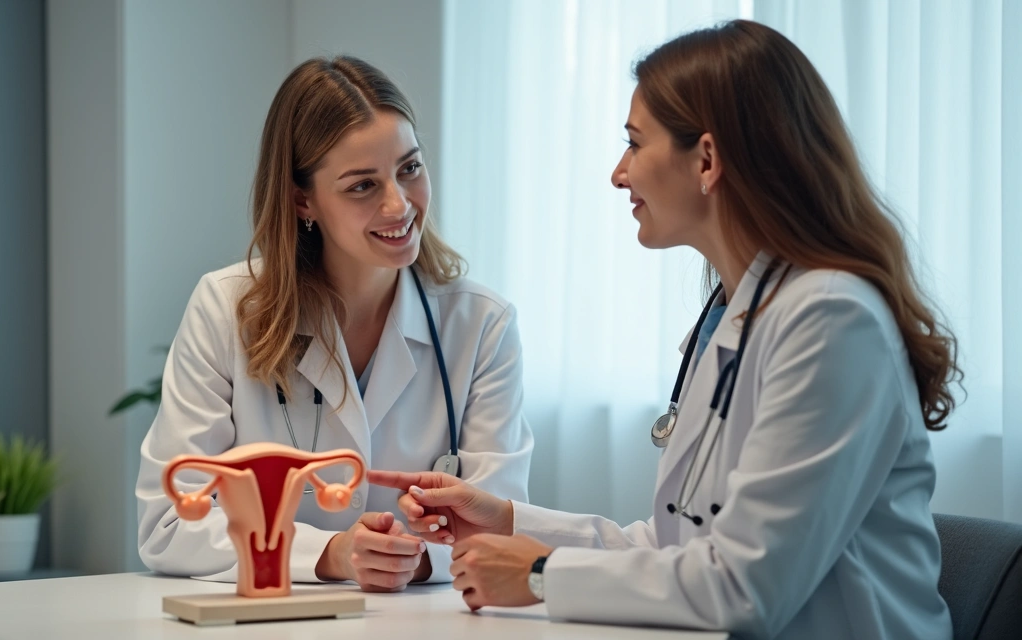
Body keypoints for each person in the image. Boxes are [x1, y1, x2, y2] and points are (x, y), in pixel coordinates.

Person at [370, 20, 959, 638]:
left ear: (706, 159)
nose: (619, 174)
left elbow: (742, 586)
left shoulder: (831, 319)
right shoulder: (735, 314)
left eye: (634, 143)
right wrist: (504, 520)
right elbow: (679, 545)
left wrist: (543, 573)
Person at [136, 56, 533, 592]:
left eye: (409, 169)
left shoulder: (481, 325)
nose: (399, 204)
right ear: (303, 200)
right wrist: (332, 553)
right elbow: (169, 521)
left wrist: (412, 559)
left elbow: (500, 527)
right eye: (362, 186)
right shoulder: (225, 309)